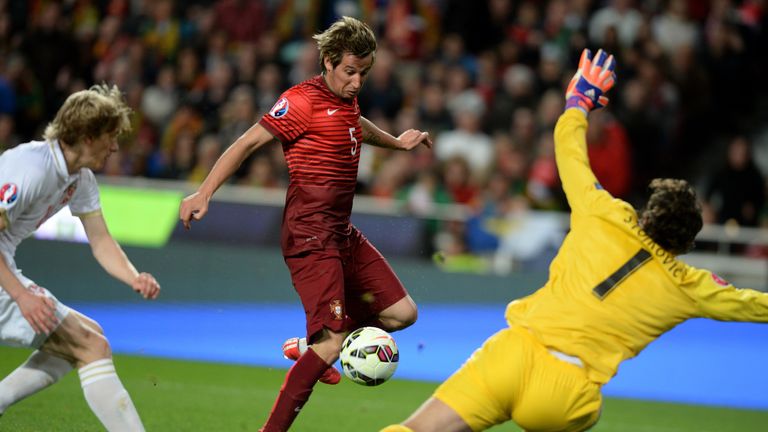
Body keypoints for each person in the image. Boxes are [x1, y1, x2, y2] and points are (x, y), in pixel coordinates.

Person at [381, 48, 768, 432]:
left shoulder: (602, 213)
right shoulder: (689, 286)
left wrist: (578, 101)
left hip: (514, 352)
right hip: (566, 393)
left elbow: (569, 151)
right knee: (591, 410)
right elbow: (754, 305)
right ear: (686, 244)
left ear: (647, 215)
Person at [178, 16, 432, 432]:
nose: (356, 83)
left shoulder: (346, 98)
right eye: (350, 72)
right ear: (328, 62)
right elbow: (246, 143)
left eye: (363, 74)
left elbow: (353, 124)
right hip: (309, 236)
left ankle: (308, 346)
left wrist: (396, 142)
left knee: (403, 314)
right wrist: (204, 192)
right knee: (331, 344)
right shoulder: (299, 102)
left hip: (342, 232)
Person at [0, 84, 161, 430]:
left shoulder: (78, 178)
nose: (115, 146)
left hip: (4, 265)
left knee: (86, 336)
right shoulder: (29, 169)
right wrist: (21, 295)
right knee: (90, 345)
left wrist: (133, 277)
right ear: (88, 136)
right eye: (110, 136)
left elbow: (101, 241)